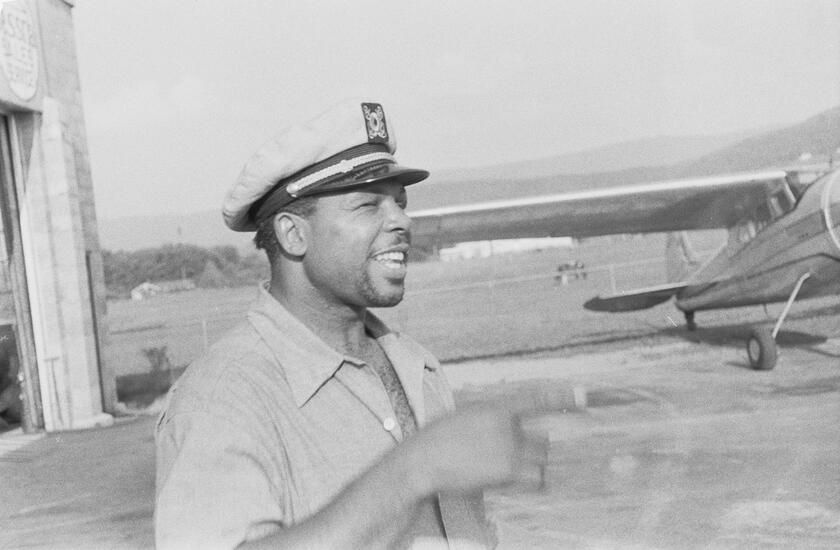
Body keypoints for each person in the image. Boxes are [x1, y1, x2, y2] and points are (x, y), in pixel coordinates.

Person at [154, 99, 550, 549]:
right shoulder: (224, 396)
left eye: (399, 203)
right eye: (367, 205)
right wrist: (412, 471)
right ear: (293, 234)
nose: (401, 221)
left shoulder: (417, 366)